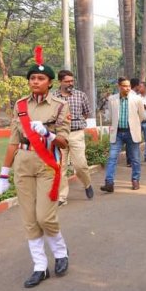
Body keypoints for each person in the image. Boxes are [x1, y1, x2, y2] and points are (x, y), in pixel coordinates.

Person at [0, 54, 71, 288]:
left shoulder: (60, 106)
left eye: (41, 78)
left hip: (47, 164)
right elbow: (12, 141)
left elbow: (64, 142)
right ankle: (40, 267)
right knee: (29, 220)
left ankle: (60, 252)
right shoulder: (20, 106)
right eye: (32, 78)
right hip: (23, 164)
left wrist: (48, 134)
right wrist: (4, 173)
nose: (35, 81)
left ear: (50, 82)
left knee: (44, 217)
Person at [51, 70, 94, 206]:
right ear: (60, 82)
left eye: (72, 81)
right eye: (67, 81)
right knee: (60, 167)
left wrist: (76, 123)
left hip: (76, 134)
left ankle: (87, 184)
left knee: (80, 165)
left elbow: (86, 113)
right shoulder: (53, 97)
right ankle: (62, 197)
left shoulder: (80, 95)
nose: (70, 83)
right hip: (59, 136)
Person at [100, 77, 145, 192]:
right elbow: (110, 117)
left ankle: (135, 180)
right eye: (125, 86)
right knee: (112, 158)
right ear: (119, 86)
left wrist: (134, 126)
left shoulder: (137, 99)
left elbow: (141, 116)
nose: (127, 88)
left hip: (131, 133)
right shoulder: (112, 99)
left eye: (129, 86)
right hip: (117, 133)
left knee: (135, 158)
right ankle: (109, 183)